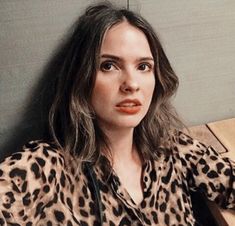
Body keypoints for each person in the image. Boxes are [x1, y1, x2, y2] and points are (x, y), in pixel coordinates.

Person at [0, 2, 234, 226]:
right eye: (109, 66)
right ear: (82, 78)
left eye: (143, 66)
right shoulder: (45, 169)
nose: (131, 84)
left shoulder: (172, 149)